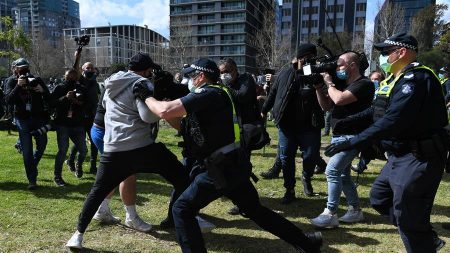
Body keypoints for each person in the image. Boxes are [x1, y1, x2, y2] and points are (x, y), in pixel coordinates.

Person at [134, 57, 323, 253]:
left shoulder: (209, 94)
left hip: (220, 168)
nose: (189, 79)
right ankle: (307, 243)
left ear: (201, 77)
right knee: (255, 210)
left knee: (181, 209)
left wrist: (147, 97)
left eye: (191, 75)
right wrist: (165, 98)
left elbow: (165, 111)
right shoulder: (219, 93)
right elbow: (183, 126)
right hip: (232, 164)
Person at [324, 33, 447, 252]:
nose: (382, 57)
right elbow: (379, 110)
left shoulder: (417, 79)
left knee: (406, 215)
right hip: (398, 156)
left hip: (418, 156)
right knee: (380, 197)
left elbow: (394, 120)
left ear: (402, 52)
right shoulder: (394, 79)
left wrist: (353, 142)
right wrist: (350, 120)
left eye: (386, 53)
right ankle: (423, 233)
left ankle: (421, 238)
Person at [65, 53, 191, 249]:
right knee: (181, 176)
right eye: (150, 70)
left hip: (113, 147)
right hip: (140, 146)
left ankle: (77, 235)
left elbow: (107, 108)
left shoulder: (110, 85)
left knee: (97, 192)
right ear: (146, 70)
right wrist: (157, 101)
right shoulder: (142, 83)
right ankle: (191, 216)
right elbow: (147, 117)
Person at [310, 51, 374, 228]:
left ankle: (330, 213)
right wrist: (318, 88)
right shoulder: (342, 84)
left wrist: (329, 84)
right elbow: (327, 106)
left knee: (332, 171)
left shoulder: (364, 84)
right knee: (344, 175)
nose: (337, 68)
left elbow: (338, 99)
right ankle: (355, 211)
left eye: (340, 64)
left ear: (352, 65)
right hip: (338, 135)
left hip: (353, 137)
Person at [260, 43, 326, 203]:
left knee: (311, 155)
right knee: (286, 158)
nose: (308, 61)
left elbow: (323, 95)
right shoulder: (285, 72)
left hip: (309, 125)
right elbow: (274, 92)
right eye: (306, 58)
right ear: (298, 58)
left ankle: (306, 177)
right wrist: (264, 109)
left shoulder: (315, 74)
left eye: (312, 58)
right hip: (286, 125)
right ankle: (289, 189)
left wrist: (317, 79)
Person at [218, 57, 261, 215]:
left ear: (235, 70)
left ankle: (245, 202)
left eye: (227, 72)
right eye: (221, 73)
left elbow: (241, 97)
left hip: (244, 132)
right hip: (229, 132)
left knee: (241, 166)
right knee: (231, 165)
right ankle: (240, 197)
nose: (224, 75)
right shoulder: (225, 84)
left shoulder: (246, 80)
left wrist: (225, 86)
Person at [4, 58, 50, 190]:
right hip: (22, 118)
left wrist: (42, 90)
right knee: (27, 149)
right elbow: (8, 100)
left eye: (26, 67)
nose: (24, 70)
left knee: (42, 145)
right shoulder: (11, 81)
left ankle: (31, 166)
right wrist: (18, 86)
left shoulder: (36, 80)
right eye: (21, 68)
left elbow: (49, 98)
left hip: (38, 117)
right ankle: (32, 179)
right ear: (15, 69)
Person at [50, 68, 88, 186]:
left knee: (83, 150)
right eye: (68, 77)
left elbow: (86, 104)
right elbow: (52, 103)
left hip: (77, 124)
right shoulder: (60, 88)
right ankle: (57, 176)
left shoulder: (81, 88)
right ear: (64, 77)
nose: (71, 79)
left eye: (74, 77)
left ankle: (77, 164)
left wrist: (76, 101)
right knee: (63, 150)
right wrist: (65, 97)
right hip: (63, 124)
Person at [67, 59, 100, 175]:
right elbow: (74, 69)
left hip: (92, 116)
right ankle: (72, 161)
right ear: (82, 70)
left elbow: (97, 98)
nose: (90, 70)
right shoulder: (80, 81)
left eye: (92, 68)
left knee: (94, 141)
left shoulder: (95, 84)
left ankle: (93, 166)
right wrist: (78, 56)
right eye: (88, 68)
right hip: (80, 117)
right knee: (80, 142)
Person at [350, 70, 385, 174]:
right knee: (369, 145)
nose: (374, 81)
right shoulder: (365, 90)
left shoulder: (384, 90)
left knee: (382, 147)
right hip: (369, 122)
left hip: (380, 123)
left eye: (377, 79)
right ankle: (361, 166)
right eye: (372, 79)